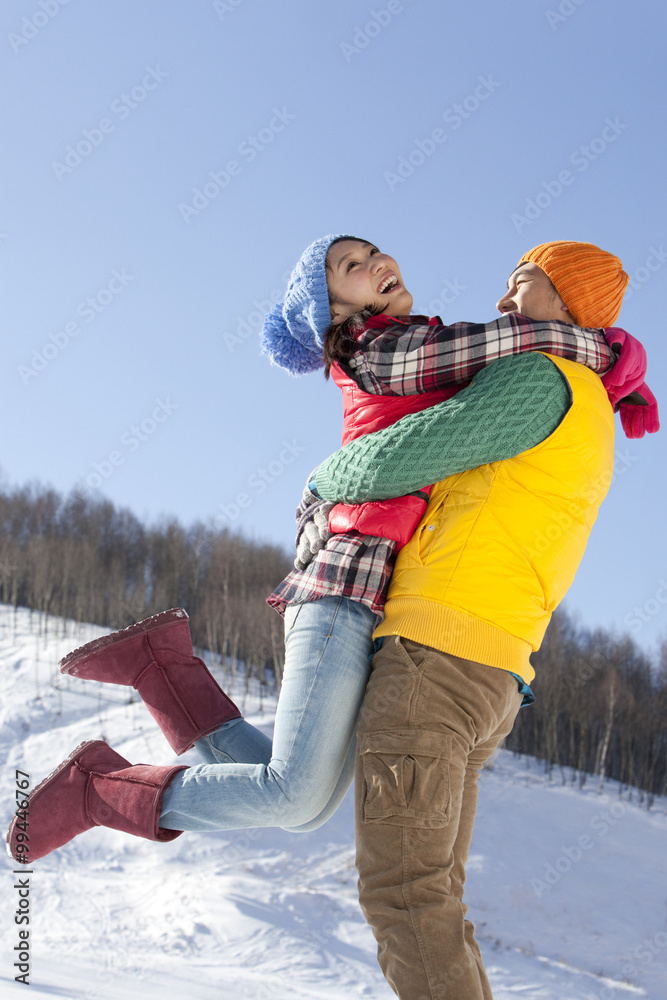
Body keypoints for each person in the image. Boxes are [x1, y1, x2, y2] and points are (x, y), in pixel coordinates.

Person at [6, 237, 639, 866]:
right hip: (344, 583)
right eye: (351, 267)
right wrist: (602, 349)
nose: (376, 264)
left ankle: (160, 671)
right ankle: (97, 790)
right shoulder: (380, 349)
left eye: (373, 252)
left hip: (380, 597)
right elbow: (504, 343)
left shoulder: (417, 341)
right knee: (295, 797)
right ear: (335, 310)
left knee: (301, 802)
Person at [302, 241, 659, 1000]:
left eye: (520, 284)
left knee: (405, 897)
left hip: (438, 656)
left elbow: (393, 459)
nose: (501, 303)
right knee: (430, 900)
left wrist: (321, 480)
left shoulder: (539, 379)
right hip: (486, 664)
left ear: (563, 301)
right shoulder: (588, 399)